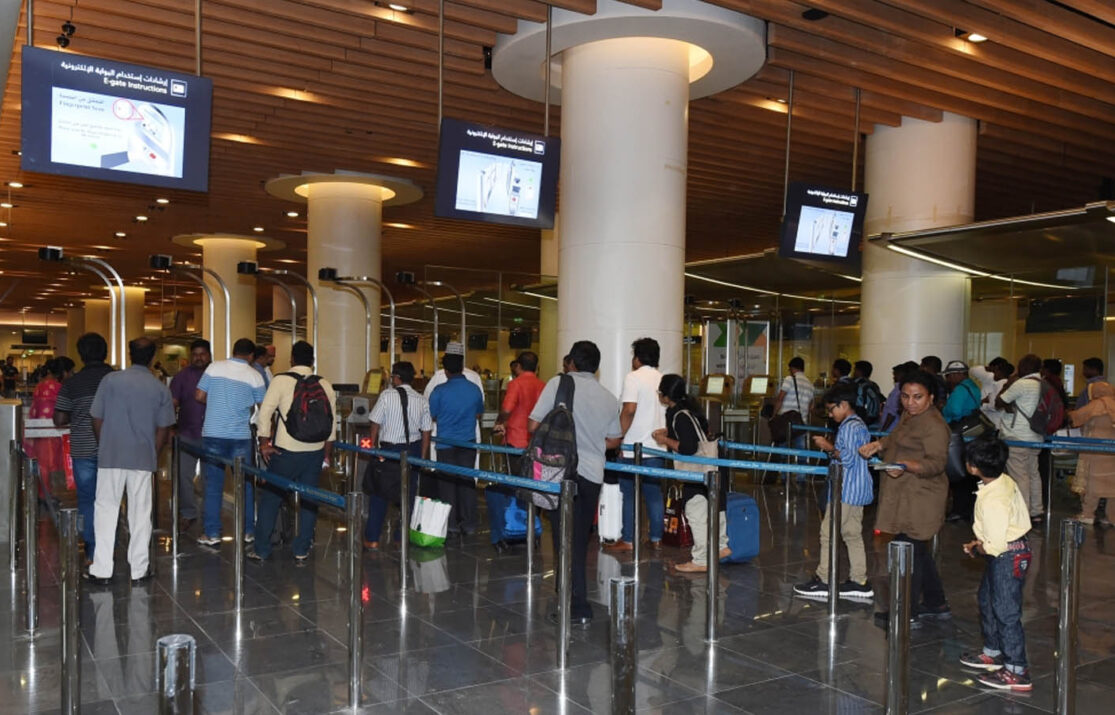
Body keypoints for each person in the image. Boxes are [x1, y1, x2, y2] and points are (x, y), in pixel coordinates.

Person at [528, 340, 623, 627]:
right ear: (596, 366)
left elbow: (533, 426)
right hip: (592, 474)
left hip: (559, 473)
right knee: (579, 540)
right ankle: (577, 601)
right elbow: (614, 440)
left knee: (561, 539)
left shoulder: (559, 385)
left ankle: (570, 602)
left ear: (572, 363)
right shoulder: (608, 397)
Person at [859, 369, 951, 624]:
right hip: (905, 494)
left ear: (931, 397)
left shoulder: (934, 425)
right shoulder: (910, 417)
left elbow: (936, 463)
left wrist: (905, 465)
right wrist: (878, 445)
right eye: (906, 396)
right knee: (917, 550)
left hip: (921, 498)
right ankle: (936, 602)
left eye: (917, 397)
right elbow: (896, 438)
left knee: (909, 551)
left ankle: (906, 612)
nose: (910, 402)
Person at [84, 337, 175, 586]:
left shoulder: (110, 380)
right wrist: (152, 452)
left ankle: (102, 569)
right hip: (142, 457)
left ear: (129, 353)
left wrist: (106, 442)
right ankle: (139, 569)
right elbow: (164, 428)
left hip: (111, 455)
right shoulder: (159, 388)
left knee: (105, 510)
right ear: (153, 357)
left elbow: (96, 417)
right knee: (140, 513)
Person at [958, 435, 1034, 692]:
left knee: (1005, 610)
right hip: (1008, 551)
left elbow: (997, 542)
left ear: (972, 467)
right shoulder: (1003, 481)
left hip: (1007, 555)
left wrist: (979, 546)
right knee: (988, 601)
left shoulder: (993, 499)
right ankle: (993, 651)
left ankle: (1017, 669)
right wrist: (982, 542)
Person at [251, 341, 337, 561]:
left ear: (291, 359)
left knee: (271, 498)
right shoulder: (325, 384)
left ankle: (261, 548)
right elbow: (332, 424)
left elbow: (265, 413)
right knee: (310, 500)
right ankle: (302, 548)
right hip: (315, 452)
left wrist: (264, 443)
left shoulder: (281, 380)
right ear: (312, 361)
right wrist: (326, 454)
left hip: (286, 451)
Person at [795, 384, 874, 599]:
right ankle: (859, 580)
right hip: (857, 488)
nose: (830, 414)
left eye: (832, 409)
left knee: (828, 532)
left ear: (844, 405)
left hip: (846, 489)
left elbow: (847, 458)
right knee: (852, 534)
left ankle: (824, 579)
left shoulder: (849, 426)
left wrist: (828, 447)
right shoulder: (859, 424)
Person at [652, 374, 729, 573]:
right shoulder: (690, 410)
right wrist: (667, 432)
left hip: (698, 470)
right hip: (714, 465)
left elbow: (688, 447)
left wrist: (664, 440)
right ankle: (721, 547)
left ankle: (702, 559)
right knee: (714, 506)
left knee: (695, 510)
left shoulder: (678, 415)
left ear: (665, 396)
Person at [195, 338, 266, 547]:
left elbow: (199, 395)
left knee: (213, 485)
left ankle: (212, 533)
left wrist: (217, 402)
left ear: (233, 351)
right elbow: (263, 405)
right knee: (244, 486)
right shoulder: (254, 375)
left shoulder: (214, 367)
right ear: (251, 356)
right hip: (240, 437)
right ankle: (248, 532)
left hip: (213, 434)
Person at [53, 333, 113, 562]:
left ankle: (92, 550)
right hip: (113, 448)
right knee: (111, 499)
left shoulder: (72, 384)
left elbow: (59, 420)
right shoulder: (116, 379)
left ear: (81, 355)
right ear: (105, 352)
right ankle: (110, 548)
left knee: (88, 499)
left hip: (83, 448)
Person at [363, 361, 432, 548]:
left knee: (380, 493)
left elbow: (375, 423)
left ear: (397, 378)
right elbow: (426, 431)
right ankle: (400, 537)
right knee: (408, 495)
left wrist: (373, 448)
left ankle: (372, 538)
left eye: (393, 376)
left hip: (389, 450)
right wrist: (422, 457)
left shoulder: (386, 395)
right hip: (413, 450)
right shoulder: (421, 399)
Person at [610, 338, 667, 553]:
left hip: (632, 446)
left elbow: (629, 410)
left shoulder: (633, 378)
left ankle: (628, 539)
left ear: (638, 358)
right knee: (653, 493)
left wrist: (618, 435)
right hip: (657, 447)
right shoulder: (662, 379)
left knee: (629, 493)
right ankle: (656, 538)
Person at [428, 343, 486, 536]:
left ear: (445, 370)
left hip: (445, 444)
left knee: (447, 485)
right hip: (468, 443)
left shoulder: (439, 391)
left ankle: (450, 524)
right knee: (467, 483)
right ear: (462, 367)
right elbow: (478, 414)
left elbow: (433, 415)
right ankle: (469, 524)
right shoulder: (474, 389)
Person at [491, 350, 545, 553]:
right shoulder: (542, 385)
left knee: (514, 485)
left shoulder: (516, 384)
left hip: (515, 440)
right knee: (533, 486)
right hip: (535, 443)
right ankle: (533, 526)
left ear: (519, 366)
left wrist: (499, 423)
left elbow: (506, 409)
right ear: (536, 367)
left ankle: (515, 526)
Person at [995, 354, 1044, 523]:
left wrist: (1010, 380)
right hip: (1036, 437)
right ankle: (1036, 511)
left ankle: (1022, 514)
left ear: (1022, 367)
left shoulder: (1022, 384)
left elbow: (999, 401)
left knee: (1019, 475)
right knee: (1033, 474)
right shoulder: (1043, 384)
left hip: (1017, 437)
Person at [169, 339, 211, 533]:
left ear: (209, 355)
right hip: (187, 433)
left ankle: (209, 516)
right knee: (184, 475)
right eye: (195, 354)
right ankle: (188, 513)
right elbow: (172, 403)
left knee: (209, 479)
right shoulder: (181, 377)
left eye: (202, 354)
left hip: (212, 434)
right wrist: (170, 428)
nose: (199, 358)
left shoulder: (216, 375)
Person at [25, 356, 74, 502]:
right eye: (70, 372)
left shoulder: (40, 385)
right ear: (64, 372)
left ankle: (43, 495)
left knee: (43, 465)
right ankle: (48, 496)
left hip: (38, 432)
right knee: (51, 464)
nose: (71, 375)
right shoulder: (58, 388)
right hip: (51, 433)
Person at [1067, 381, 1115, 526]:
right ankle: (1112, 517)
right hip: (1112, 450)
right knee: (1113, 485)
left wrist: (1068, 413)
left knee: (1092, 484)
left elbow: (1076, 417)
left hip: (1094, 450)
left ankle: (1088, 514)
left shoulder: (1096, 404)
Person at [772, 356, 814, 448]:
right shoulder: (810, 384)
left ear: (792, 368)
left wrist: (774, 414)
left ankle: (782, 462)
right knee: (800, 450)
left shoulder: (789, 379)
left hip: (786, 422)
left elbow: (780, 399)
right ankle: (801, 462)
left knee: (782, 448)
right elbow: (811, 407)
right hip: (801, 422)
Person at [879, 361, 920, 432]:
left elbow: (892, 413)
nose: (894, 377)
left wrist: (883, 430)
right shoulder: (899, 389)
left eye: (896, 374)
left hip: (891, 429)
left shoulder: (899, 390)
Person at [852, 360, 883, 427]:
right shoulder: (874, 385)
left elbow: (858, 404)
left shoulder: (856, 385)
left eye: (854, 370)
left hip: (860, 419)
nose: (853, 372)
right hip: (873, 420)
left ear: (859, 371)